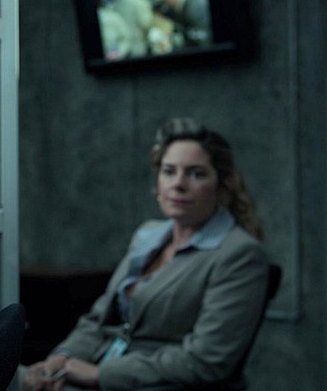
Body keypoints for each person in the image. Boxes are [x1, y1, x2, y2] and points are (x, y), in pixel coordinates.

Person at [20, 117, 269, 391]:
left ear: (222, 185)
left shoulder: (239, 253)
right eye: (169, 171)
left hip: (153, 384)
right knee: (13, 377)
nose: (178, 184)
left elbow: (207, 359)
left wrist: (100, 374)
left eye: (196, 174)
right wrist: (60, 359)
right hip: (99, 369)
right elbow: (98, 319)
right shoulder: (148, 235)